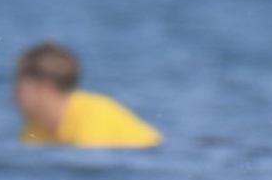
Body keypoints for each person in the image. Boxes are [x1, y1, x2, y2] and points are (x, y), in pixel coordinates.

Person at [12, 43, 161, 149]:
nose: (14, 97)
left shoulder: (92, 119)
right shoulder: (36, 128)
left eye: (20, 89)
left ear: (45, 89)